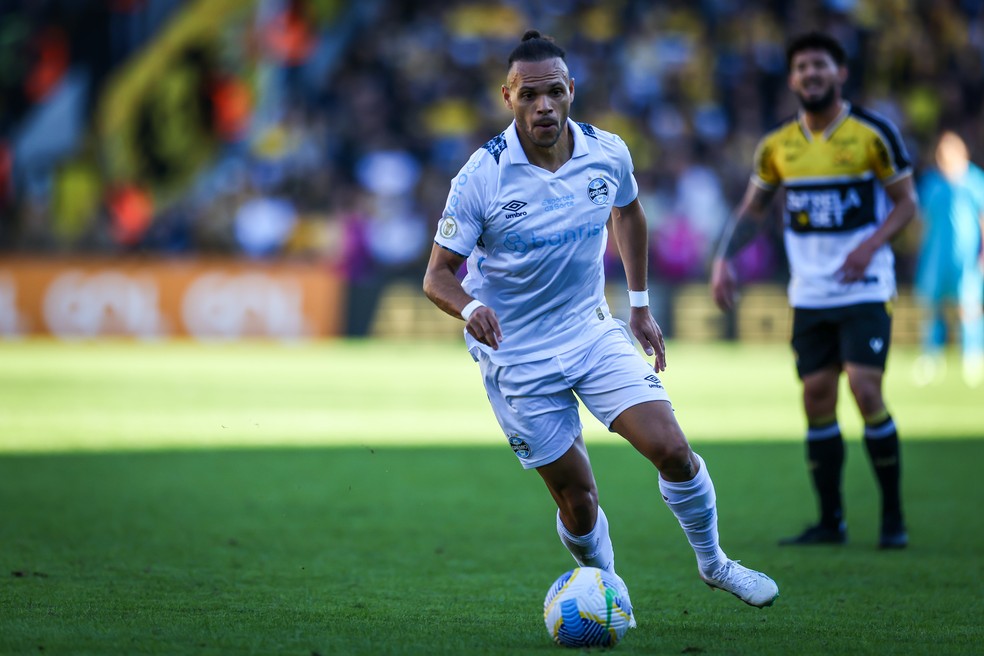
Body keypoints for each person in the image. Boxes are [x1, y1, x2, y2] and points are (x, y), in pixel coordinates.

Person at [422, 30, 779, 624]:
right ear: (508, 96)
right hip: (517, 356)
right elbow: (437, 275)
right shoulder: (480, 177)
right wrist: (468, 308)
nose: (544, 107)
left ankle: (714, 562)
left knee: (673, 449)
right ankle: (609, 591)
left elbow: (629, 211)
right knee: (579, 502)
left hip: (590, 331)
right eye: (530, 95)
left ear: (570, 92)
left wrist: (638, 304)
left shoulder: (607, 152)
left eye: (555, 93)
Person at [711, 32, 917, 549]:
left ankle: (893, 517)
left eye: (820, 65)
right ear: (792, 78)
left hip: (866, 285)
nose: (811, 74)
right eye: (802, 67)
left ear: (840, 72)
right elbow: (753, 211)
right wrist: (723, 259)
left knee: (866, 390)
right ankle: (831, 522)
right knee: (816, 396)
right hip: (809, 294)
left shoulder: (873, 134)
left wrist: (869, 246)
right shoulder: (778, 146)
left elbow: (906, 204)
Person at [913, 130, 984, 388]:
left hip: (966, 256)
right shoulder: (931, 182)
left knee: (969, 308)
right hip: (935, 255)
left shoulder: (975, 181)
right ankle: (931, 356)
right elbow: (921, 221)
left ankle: (973, 358)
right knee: (932, 307)